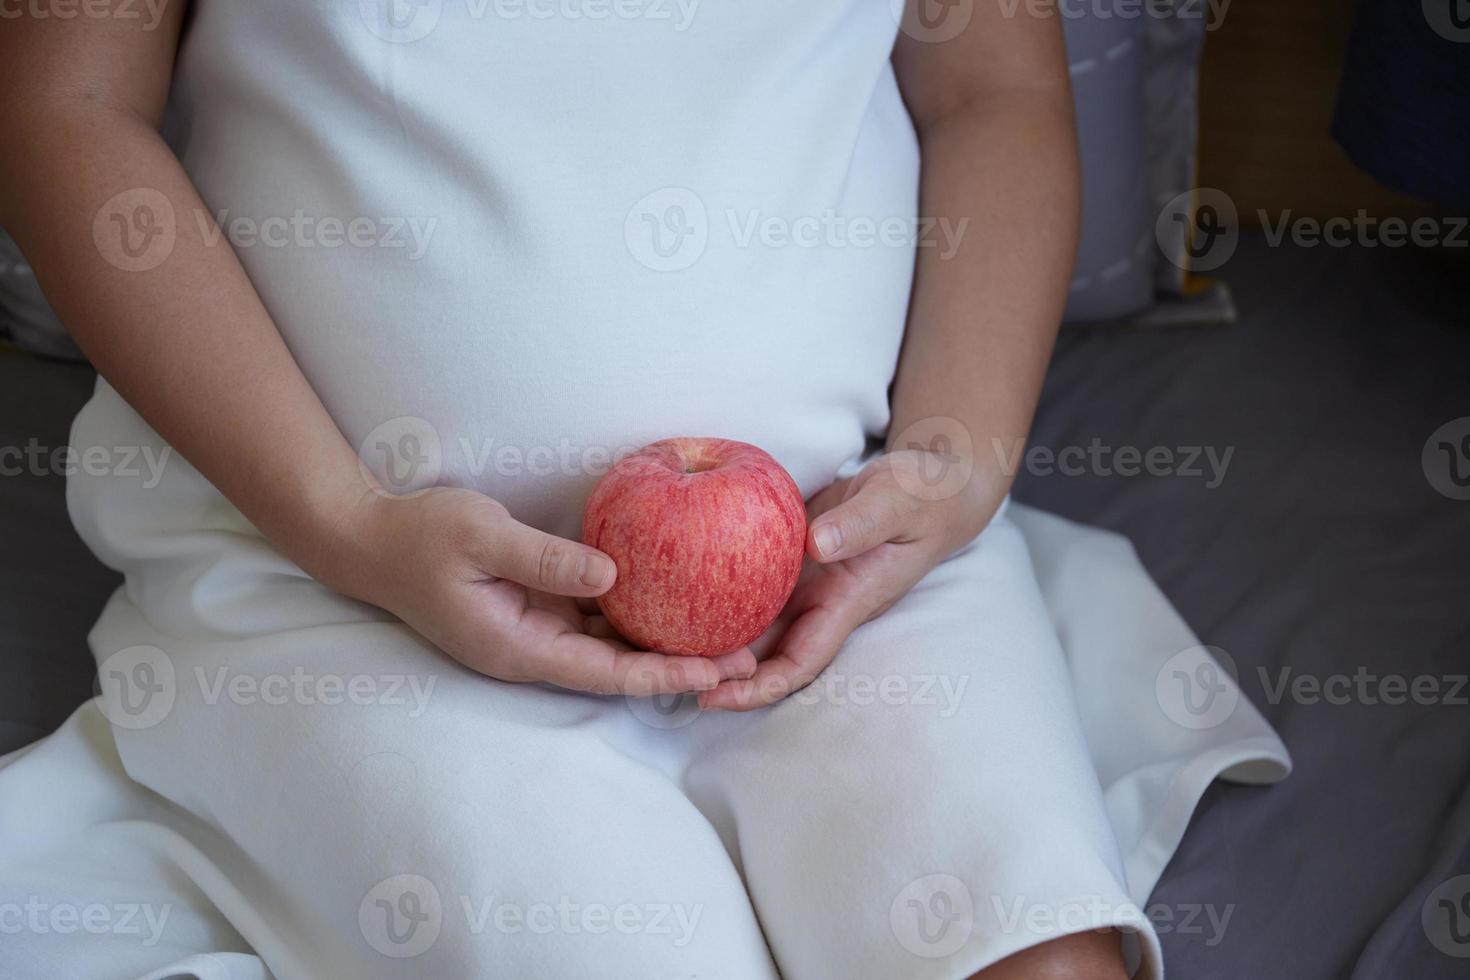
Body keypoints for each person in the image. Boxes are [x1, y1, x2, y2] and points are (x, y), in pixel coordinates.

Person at [0, 1, 1288, 977]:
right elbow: (65, 102)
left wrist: (957, 458)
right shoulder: (343, 555)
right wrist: (349, 529)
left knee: (1036, 954)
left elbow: (992, 88)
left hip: (849, 556)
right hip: (345, 581)